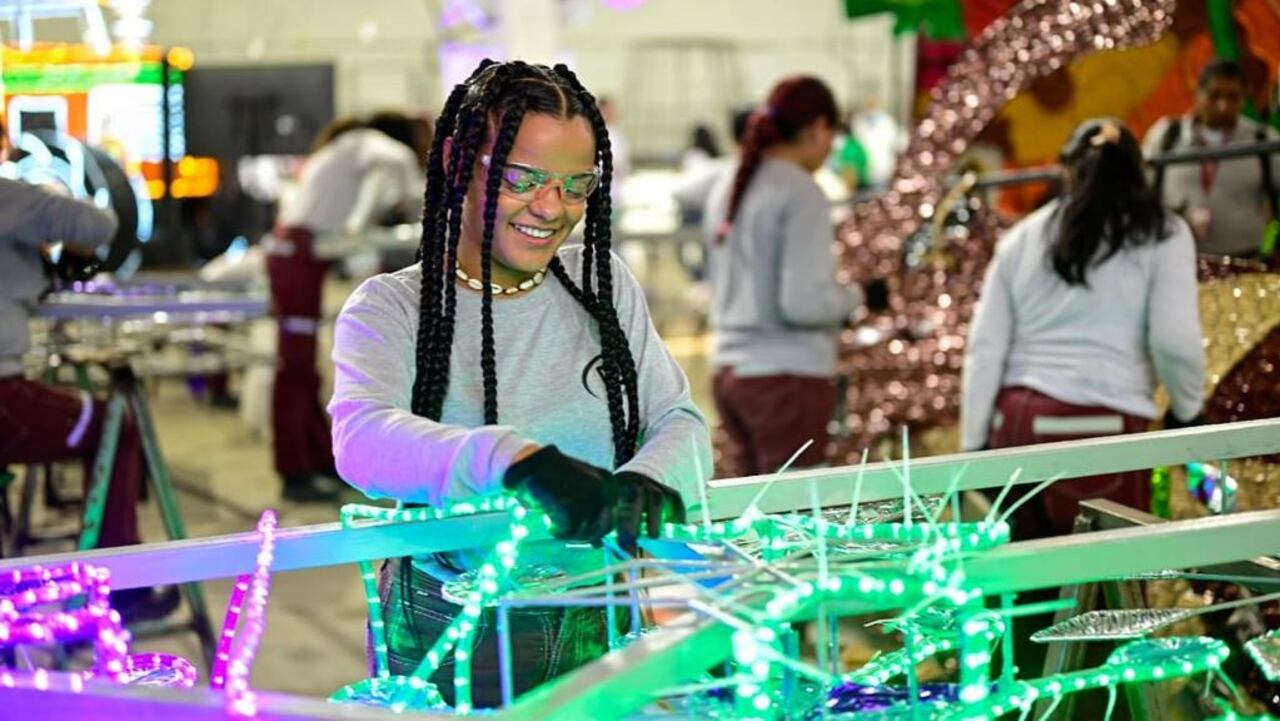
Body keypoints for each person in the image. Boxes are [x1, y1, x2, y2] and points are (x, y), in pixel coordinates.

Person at [328, 60, 711, 706]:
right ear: (457, 161)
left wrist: (649, 482)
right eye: (522, 178)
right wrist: (513, 461)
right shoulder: (391, 308)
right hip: (456, 625)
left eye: (574, 186)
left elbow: (680, 419)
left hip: (602, 612)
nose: (550, 208)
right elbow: (359, 438)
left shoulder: (601, 284)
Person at [962, 118, 1206, 539]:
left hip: (1019, 427)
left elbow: (984, 349)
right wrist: (1187, 412)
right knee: (1114, 590)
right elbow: (1174, 341)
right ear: (1139, 170)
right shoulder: (1163, 234)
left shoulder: (1021, 238)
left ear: (1067, 171)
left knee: (1030, 590)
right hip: (1109, 431)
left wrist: (973, 446)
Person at [0, 124, 175, 615]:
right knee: (114, 425)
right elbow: (96, 224)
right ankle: (118, 587)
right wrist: (56, 229)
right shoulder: (13, 200)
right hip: (3, 394)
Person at [703, 76, 863, 477]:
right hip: (784, 379)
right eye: (832, 135)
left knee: (748, 522)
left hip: (730, 375)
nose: (830, 148)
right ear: (817, 127)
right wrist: (855, 297)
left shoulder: (729, 182)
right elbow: (803, 303)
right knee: (792, 521)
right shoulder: (800, 191)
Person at [267, 111, 431, 502]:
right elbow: (400, 178)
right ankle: (294, 471)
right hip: (296, 256)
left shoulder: (347, 148)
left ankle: (318, 459)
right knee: (295, 367)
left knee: (306, 367)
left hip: (299, 255)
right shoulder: (372, 146)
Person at [1143, 58, 1280, 259]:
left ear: (1244, 98)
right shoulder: (1166, 136)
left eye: (1233, 97)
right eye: (1214, 96)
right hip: (1176, 260)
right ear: (1197, 93)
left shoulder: (1262, 139)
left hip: (1246, 262)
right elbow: (1139, 192)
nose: (1223, 106)